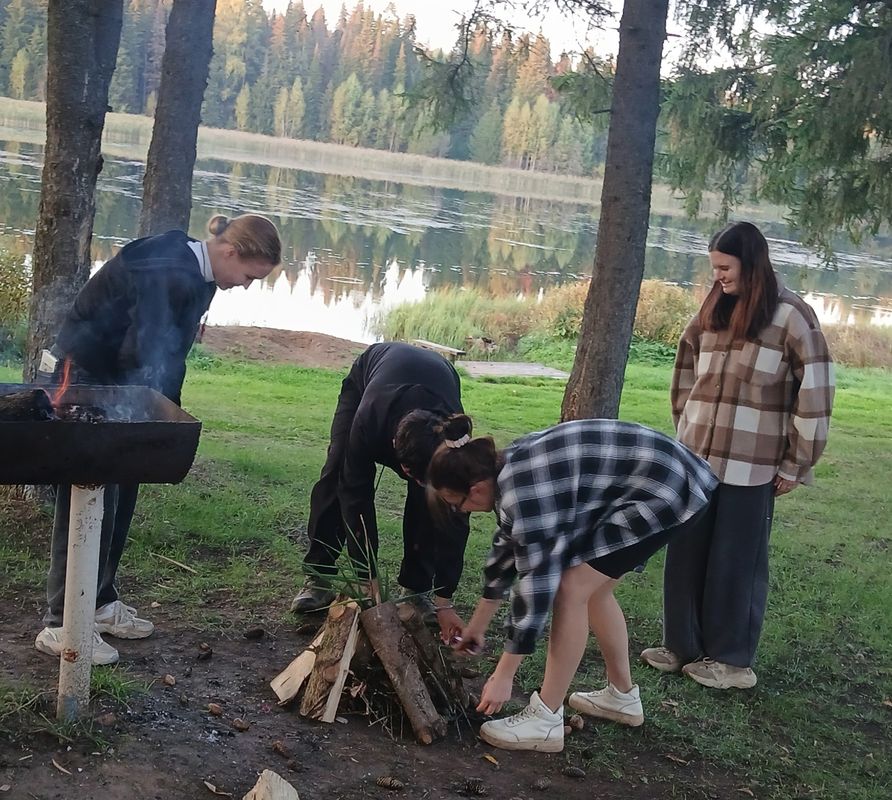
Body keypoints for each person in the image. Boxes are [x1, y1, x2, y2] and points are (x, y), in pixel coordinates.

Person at [35, 214, 282, 665]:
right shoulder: (167, 266)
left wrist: (165, 416)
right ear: (230, 252)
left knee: (125, 484)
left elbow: (169, 355)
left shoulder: (202, 276)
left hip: (124, 383)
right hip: (87, 377)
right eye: (249, 276)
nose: (246, 286)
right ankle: (62, 623)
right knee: (88, 493)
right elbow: (142, 351)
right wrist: (159, 414)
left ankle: (99, 602)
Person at [426, 414, 718, 752]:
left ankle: (545, 719)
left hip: (668, 489)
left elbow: (537, 587)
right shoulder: (505, 469)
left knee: (571, 588)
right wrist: (477, 626)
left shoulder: (522, 492)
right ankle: (622, 697)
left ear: (475, 489)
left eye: (456, 504)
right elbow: (507, 549)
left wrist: (504, 674)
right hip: (662, 478)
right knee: (594, 590)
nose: (461, 512)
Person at [641, 221, 835, 689]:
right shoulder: (712, 309)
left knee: (736, 561)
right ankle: (681, 646)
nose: (719, 277)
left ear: (752, 263)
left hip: (753, 466)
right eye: (714, 268)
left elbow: (816, 392)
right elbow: (685, 373)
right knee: (685, 553)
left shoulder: (793, 316)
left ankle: (731, 662)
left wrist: (796, 463)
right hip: (697, 460)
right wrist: (686, 432)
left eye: (725, 268)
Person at [289, 342, 470, 642]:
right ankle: (319, 576)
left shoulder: (453, 438)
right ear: (403, 466)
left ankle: (416, 590)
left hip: (438, 379)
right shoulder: (368, 420)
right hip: (369, 377)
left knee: (429, 502)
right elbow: (355, 495)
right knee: (336, 472)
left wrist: (445, 600)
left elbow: (457, 517)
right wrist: (366, 577)